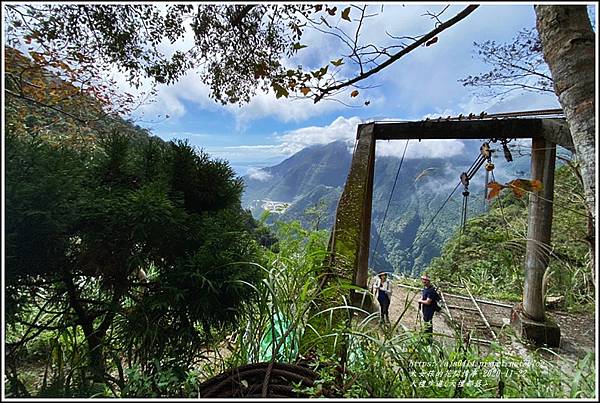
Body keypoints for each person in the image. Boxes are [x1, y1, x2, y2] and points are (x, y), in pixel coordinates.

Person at [417, 274, 440, 343]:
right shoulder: (425, 288)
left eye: (425, 280)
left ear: (428, 281)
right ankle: (426, 337)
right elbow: (424, 296)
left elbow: (428, 302)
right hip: (425, 308)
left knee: (428, 322)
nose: (424, 281)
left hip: (429, 309)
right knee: (426, 321)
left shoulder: (431, 290)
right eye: (423, 280)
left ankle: (428, 339)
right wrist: (421, 299)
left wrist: (420, 301)